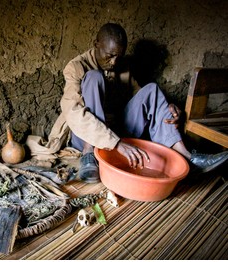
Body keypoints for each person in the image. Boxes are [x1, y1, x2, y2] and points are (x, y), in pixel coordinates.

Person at [27, 23, 228, 183]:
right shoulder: (76, 67)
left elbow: (141, 97)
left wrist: (166, 107)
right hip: (86, 138)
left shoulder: (123, 66)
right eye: (110, 55)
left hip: (117, 129)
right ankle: (89, 155)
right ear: (96, 44)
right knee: (94, 78)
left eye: (119, 56)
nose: (114, 62)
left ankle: (187, 158)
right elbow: (73, 112)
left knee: (152, 90)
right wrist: (116, 143)